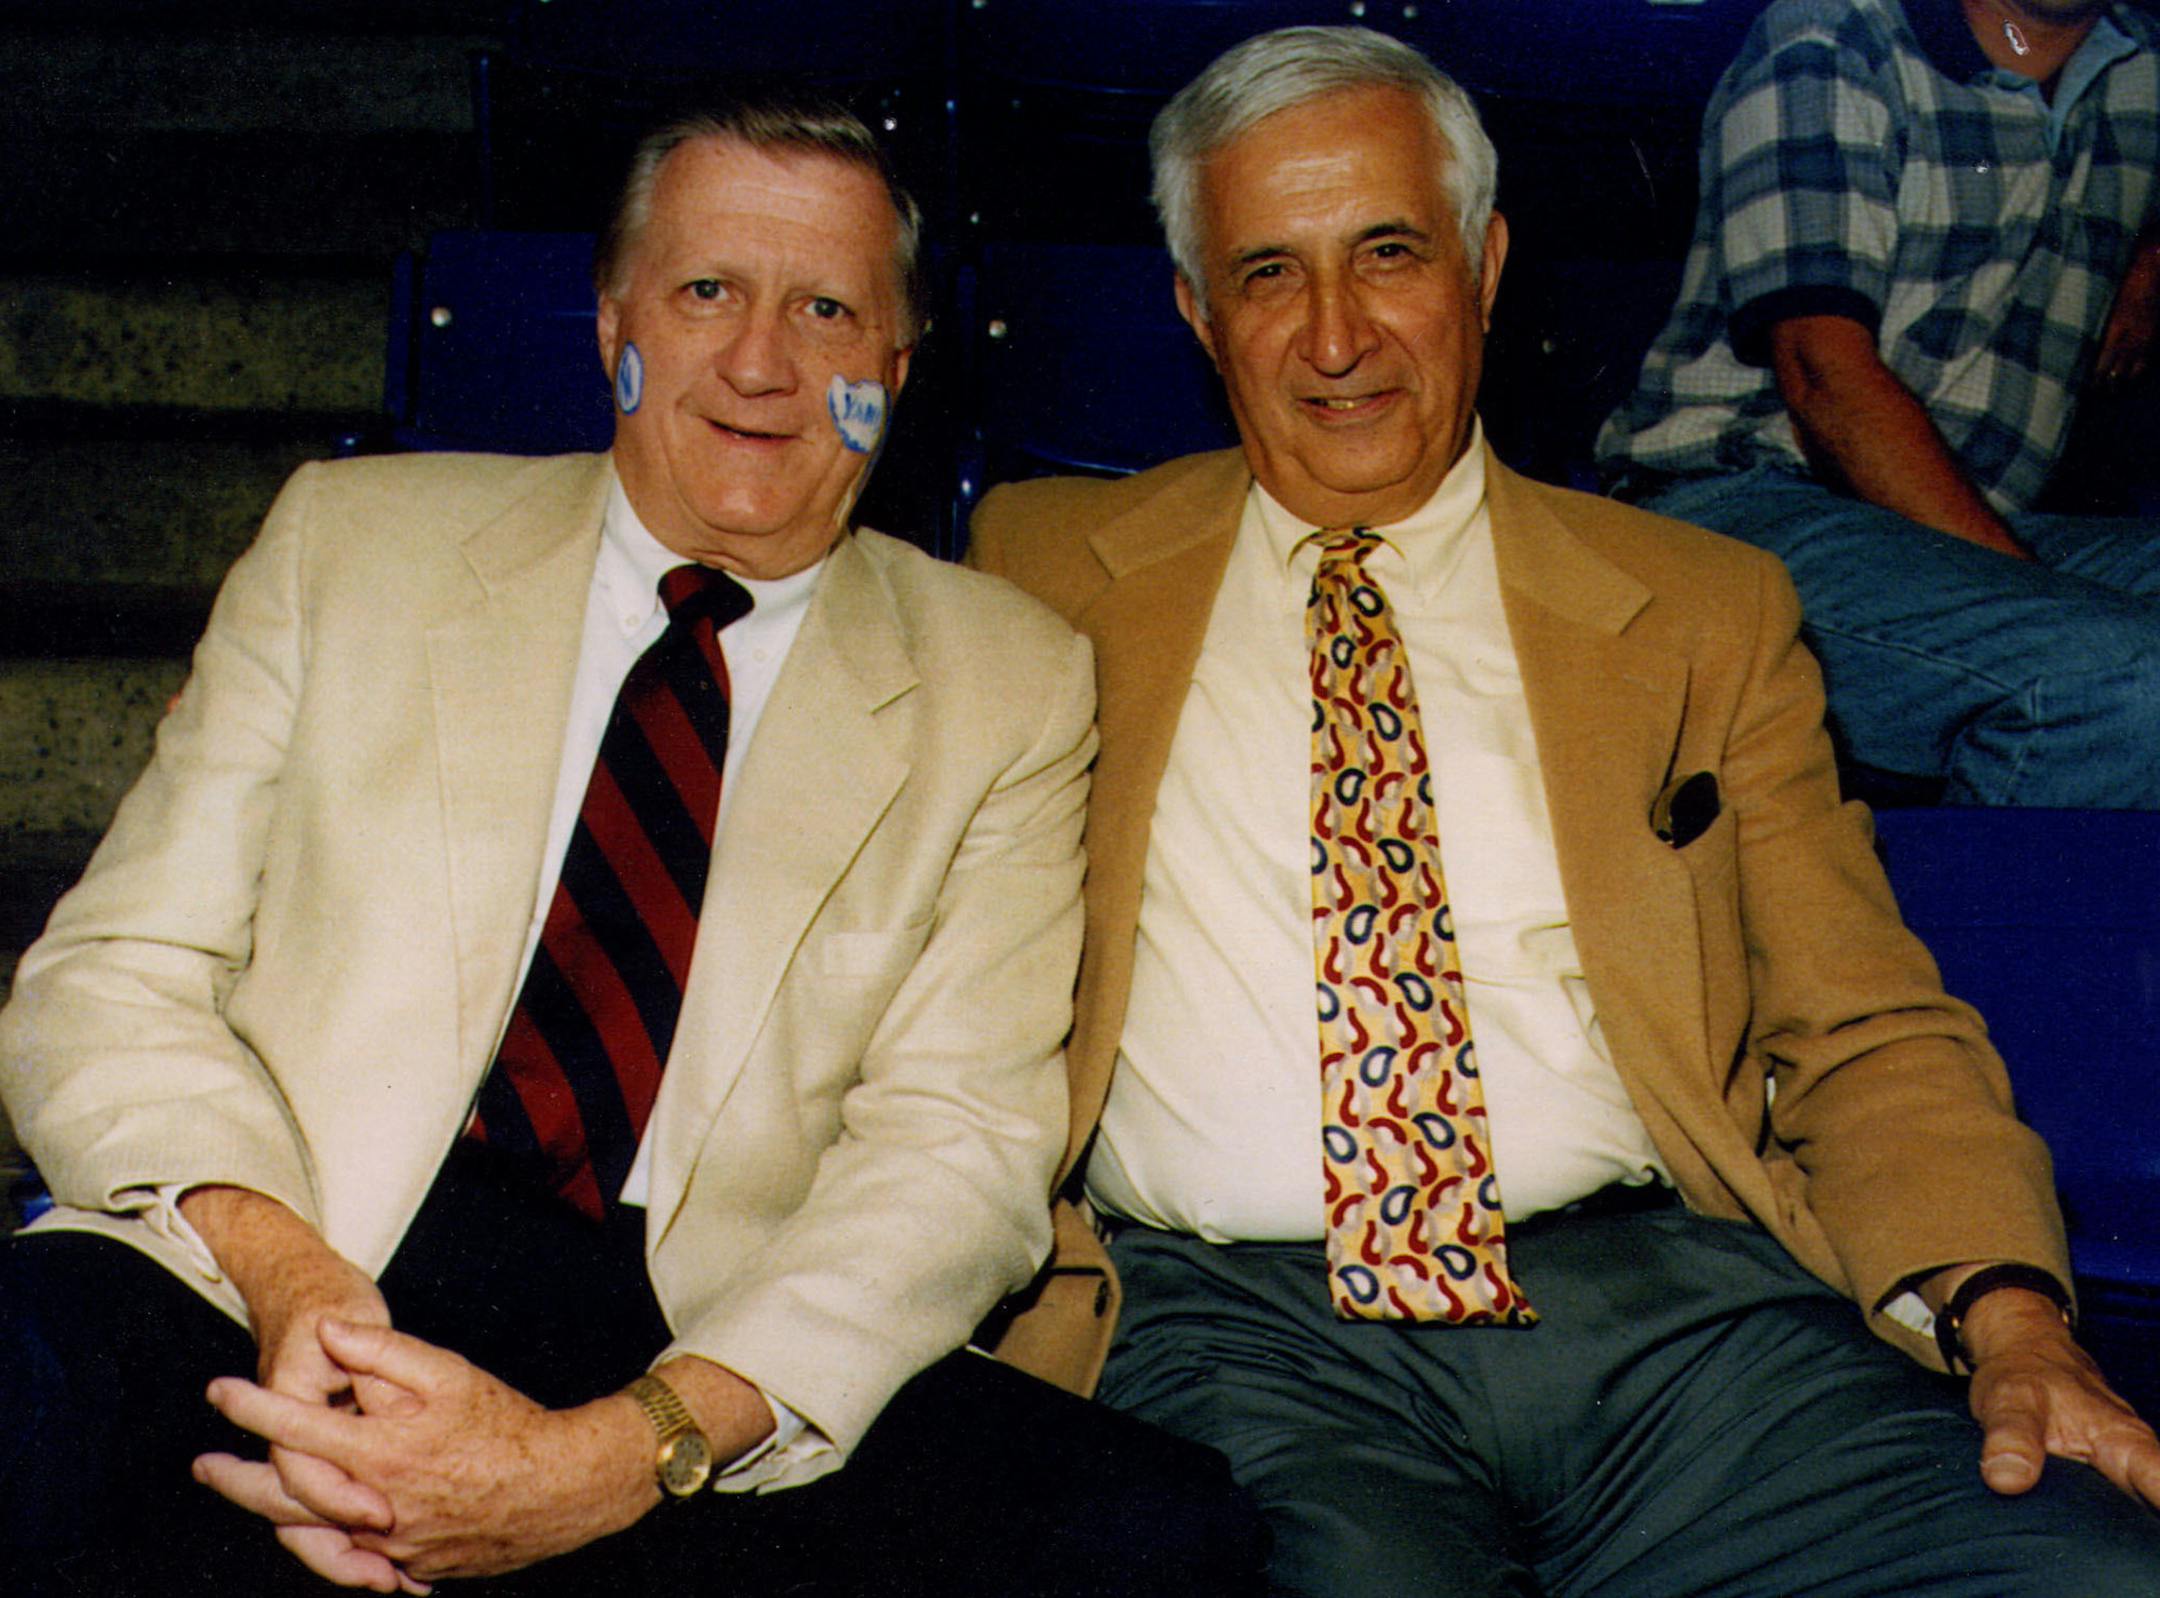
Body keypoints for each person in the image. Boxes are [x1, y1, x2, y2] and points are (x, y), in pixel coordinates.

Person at [0, 92, 1261, 1596]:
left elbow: (958, 1149)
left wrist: (612, 1457)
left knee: (1153, 1538)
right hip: (294, 1246)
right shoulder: (353, 546)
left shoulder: (1004, 680)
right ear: (614, 327)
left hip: (690, 1326)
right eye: (707, 290)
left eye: (828, 309)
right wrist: (291, 1280)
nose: (759, 362)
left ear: (897, 369)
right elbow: (112, 971)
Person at [971, 25, 2160, 1596]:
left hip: (1670, 1315)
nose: (1335, 337)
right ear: (1198, 314)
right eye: (1269, 273)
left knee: (2092, 1568)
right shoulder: (1040, 569)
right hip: (1242, 1328)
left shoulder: (1698, 606)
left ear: (1486, 262)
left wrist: (2014, 1322)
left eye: (1388, 253)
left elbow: (1862, 1020)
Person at [1597, 0, 2160, 806]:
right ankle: (1977, 929)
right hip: (1736, 508)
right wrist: (2034, 602)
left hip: (1959, 516)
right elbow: (1823, 376)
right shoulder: (1832, 36)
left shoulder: (2140, 61)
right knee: (2120, 675)